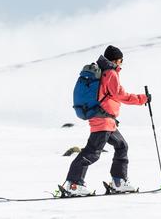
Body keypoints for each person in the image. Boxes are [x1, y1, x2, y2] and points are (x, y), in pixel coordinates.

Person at [63, 45, 150, 196]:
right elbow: (120, 95)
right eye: (121, 60)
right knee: (92, 152)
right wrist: (142, 99)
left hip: (107, 121)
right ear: (116, 60)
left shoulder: (103, 71)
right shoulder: (110, 73)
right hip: (103, 121)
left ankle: (118, 182)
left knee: (122, 146)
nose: (121, 64)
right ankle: (74, 184)